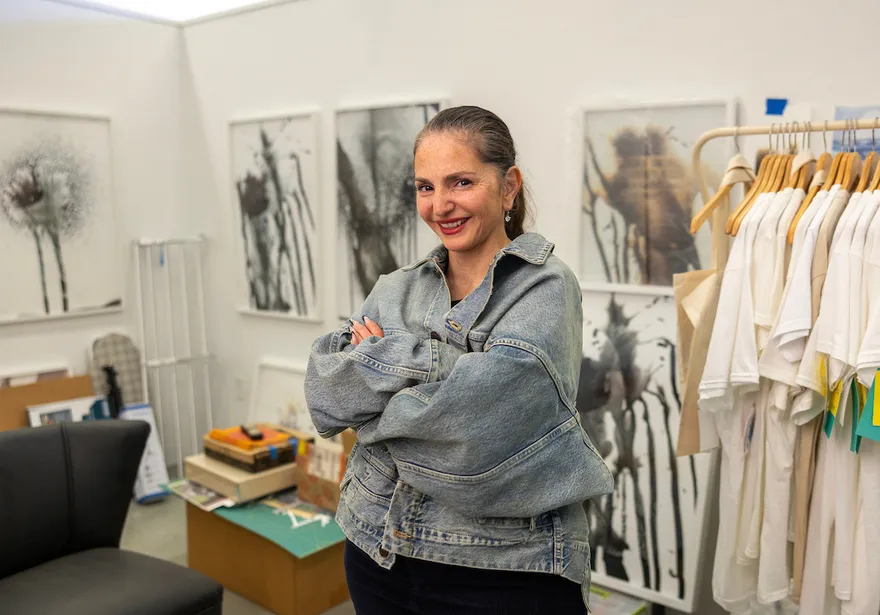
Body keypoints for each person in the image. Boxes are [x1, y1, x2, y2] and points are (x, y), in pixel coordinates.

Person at [305, 105, 613, 614]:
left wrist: (382, 378)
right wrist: (454, 372)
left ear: (508, 186)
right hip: (375, 545)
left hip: (503, 569)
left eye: (461, 182)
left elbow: (475, 436)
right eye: (425, 187)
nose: (440, 205)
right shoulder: (395, 287)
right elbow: (327, 391)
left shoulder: (546, 287)